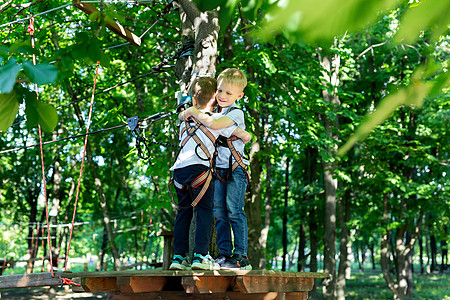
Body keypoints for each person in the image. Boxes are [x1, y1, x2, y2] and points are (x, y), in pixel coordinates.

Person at [169, 76, 251, 271]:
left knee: (190, 212)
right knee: (212, 212)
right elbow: (240, 134)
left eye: (228, 93)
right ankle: (204, 255)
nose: (223, 96)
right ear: (214, 98)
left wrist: (188, 111)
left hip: (185, 171)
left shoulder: (191, 120)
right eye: (220, 92)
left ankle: (180, 257)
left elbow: (242, 134)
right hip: (206, 171)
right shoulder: (214, 118)